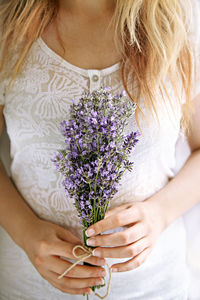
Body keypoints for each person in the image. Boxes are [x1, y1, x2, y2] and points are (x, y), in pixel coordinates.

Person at [0, 0, 200, 299]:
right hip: (27, 288)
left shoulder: (177, 24)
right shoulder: (8, 30)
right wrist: (25, 230)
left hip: (152, 289)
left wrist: (160, 213)